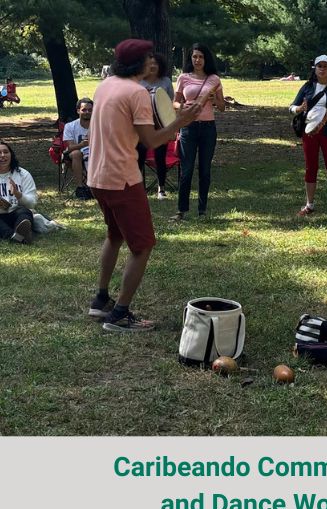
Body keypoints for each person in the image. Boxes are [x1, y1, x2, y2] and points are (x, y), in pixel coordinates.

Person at [87, 39, 200, 332]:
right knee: (143, 245)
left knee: (114, 234)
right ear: (137, 63)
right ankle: (120, 315)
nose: (152, 61)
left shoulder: (106, 84)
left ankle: (100, 301)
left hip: (98, 177)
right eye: (148, 57)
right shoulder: (136, 93)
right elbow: (151, 141)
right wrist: (182, 121)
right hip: (122, 179)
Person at [290, 55, 327, 216]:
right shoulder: (307, 87)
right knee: (311, 166)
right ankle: (309, 204)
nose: (322, 69)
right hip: (309, 133)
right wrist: (299, 109)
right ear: (314, 69)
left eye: (325, 67)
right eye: (319, 66)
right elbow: (291, 107)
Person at [171, 43, 225, 220]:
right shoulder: (183, 78)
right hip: (189, 127)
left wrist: (213, 98)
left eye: (201, 57)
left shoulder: (214, 79)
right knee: (186, 171)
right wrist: (182, 107)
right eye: (194, 56)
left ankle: (202, 211)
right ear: (190, 59)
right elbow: (174, 103)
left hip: (208, 128)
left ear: (206, 59)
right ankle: (181, 210)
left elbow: (222, 107)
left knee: (205, 171)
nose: (197, 60)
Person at [139, 52, 174, 200]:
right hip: (142, 124)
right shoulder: (139, 81)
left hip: (160, 125)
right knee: (139, 157)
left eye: (155, 63)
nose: (152, 66)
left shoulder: (165, 81)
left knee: (160, 157)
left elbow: (169, 103)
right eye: (149, 63)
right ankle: (139, 188)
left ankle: (161, 189)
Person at [0, 141, 37, 244]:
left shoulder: (23, 174)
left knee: (25, 212)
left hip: (16, 213)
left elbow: (32, 203)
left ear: (11, 155)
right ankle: (15, 236)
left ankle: (20, 232)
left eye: (5, 152)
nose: (2, 155)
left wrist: (18, 194)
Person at [63, 97, 94, 199]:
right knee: (76, 153)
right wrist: (82, 144)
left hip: (96, 152)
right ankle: (81, 187)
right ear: (78, 111)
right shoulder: (70, 126)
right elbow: (70, 147)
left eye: (90, 110)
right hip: (76, 152)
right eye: (84, 110)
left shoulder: (99, 125)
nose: (87, 112)